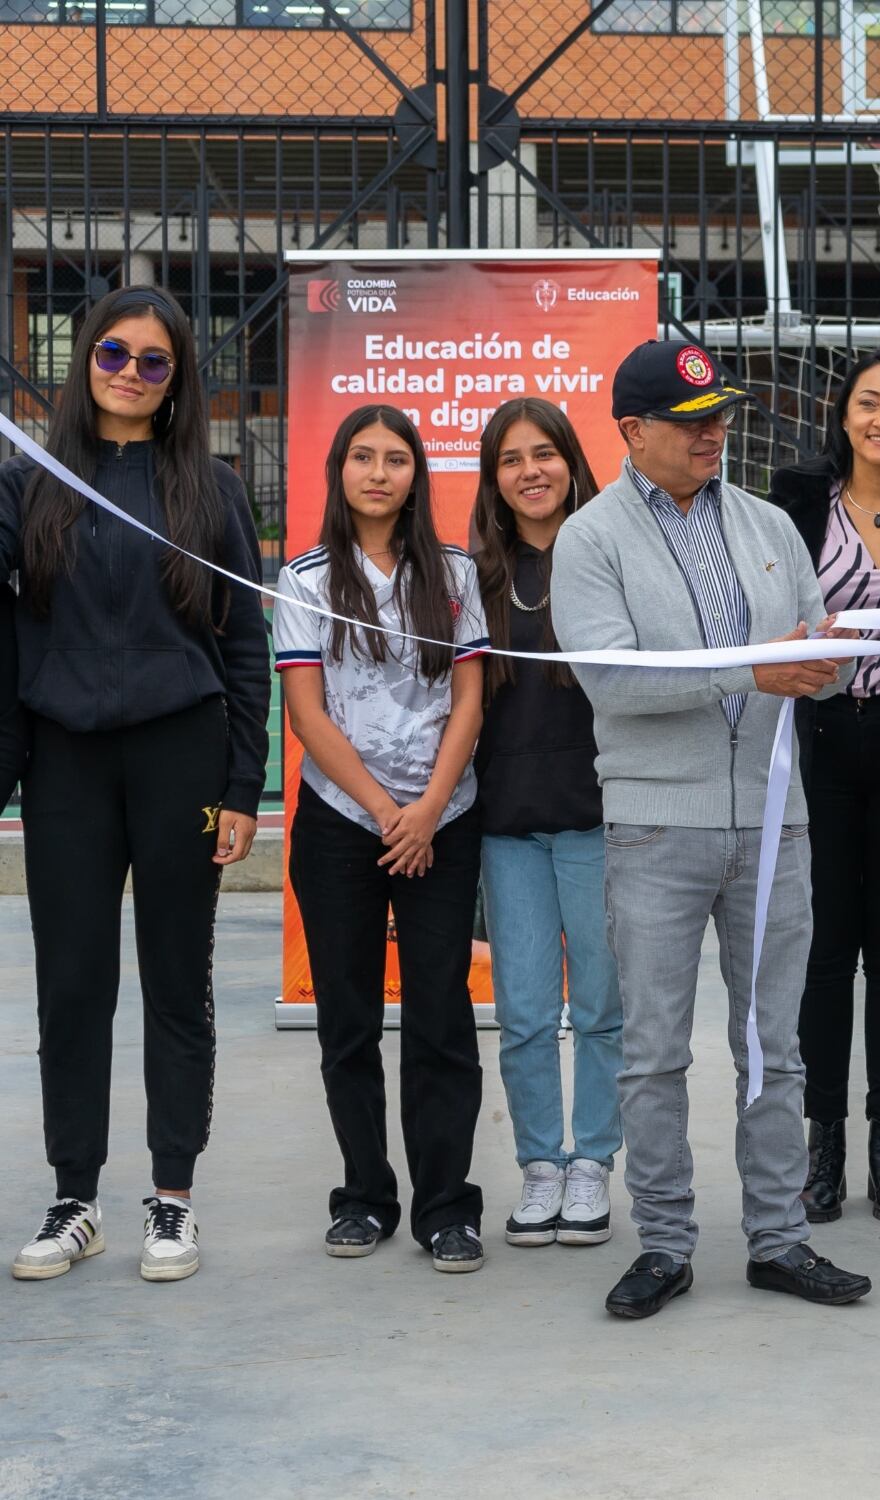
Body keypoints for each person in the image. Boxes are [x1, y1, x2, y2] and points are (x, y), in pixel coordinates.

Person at [552, 339, 873, 1321]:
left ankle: (778, 1241)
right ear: (632, 432)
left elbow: (818, 657)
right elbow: (609, 680)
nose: (714, 436)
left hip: (777, 824)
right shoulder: (590, 539)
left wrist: (835, 661)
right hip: (656, 826)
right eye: (691, 425)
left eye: (720, 417)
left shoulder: (770, 521)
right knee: (652, 1049)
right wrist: (754, 671)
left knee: (775, 1046)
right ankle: (664, 1244)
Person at [1, 285, 267, 1286]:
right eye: (114, 354)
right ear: (86, 362)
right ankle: (77, 1199)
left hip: (180, 756)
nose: (129, 374)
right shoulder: (28, 481)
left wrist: (242, 784)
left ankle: (173, 1199)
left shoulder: (211, 488)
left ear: (176, 380)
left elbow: (245, 644)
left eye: (154, 362)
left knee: (174, 982)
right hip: (64, 754)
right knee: (70, 984)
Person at [276, 405, 490, 1273]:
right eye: (361, 457)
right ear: (339, 471)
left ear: (416, 475)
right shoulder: (304, 577)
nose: (377, 472)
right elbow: (305, 712)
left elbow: (471, 699)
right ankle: (365, 1196)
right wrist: (382, 809)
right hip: (339, 821)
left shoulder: (457, 575)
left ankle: (446, 1208)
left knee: (442, 1016)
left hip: (443, 817)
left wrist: (428, 808)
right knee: (349, 1020)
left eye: (395, 458)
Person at [768, 349, 880, 1225]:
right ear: (844, 415)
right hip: (817, 745)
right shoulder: (795, 502)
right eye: (869, 403)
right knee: (824, 952)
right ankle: (824, 1148)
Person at [469, 398, 623, 1251]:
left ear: (572, 461)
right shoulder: (472, 574)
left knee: (602, 1009)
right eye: (511, 459)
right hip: (508, 826)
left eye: (546, 453)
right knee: (525, 1013)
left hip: (600, 820)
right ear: (493, 477)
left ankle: (593, 1161)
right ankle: (541, 1165)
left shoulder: (610, 555)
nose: (531, 471)